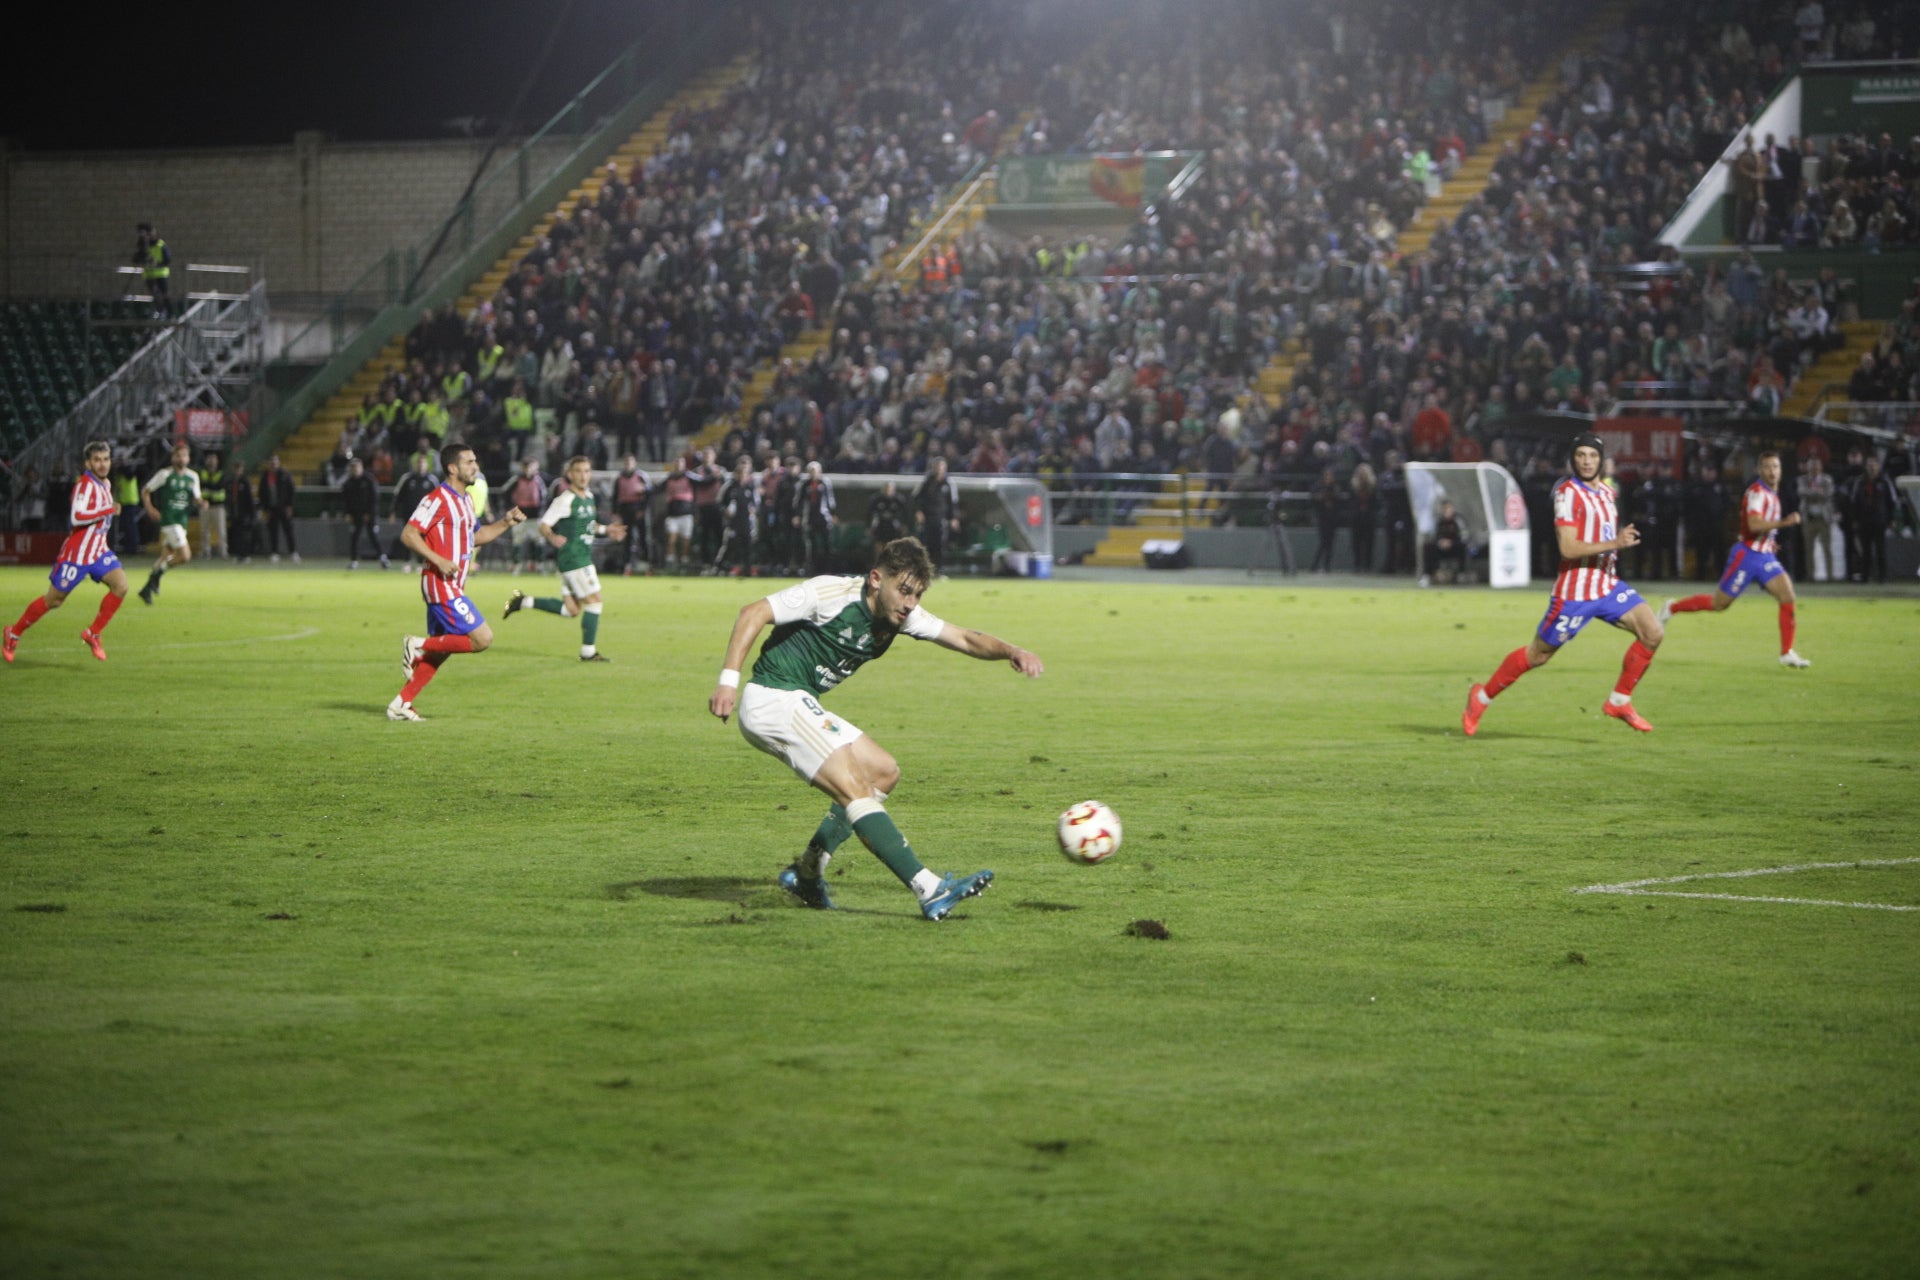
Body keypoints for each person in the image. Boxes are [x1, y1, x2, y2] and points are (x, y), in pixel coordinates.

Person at [707, 536, 1043, 920]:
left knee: (882, 772)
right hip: (774, 698)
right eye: (904, 591)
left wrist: (1013, 651)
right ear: (875, 580)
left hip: (799, 701)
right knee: (853, 787)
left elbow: (965, 638)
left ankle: (806, 873)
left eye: (916, 594)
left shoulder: (901, 617)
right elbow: (753, 612)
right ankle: (929, 888)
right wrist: (727, 682)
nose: (910, 603)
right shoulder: (830, 592)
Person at [1462, 433, 1665, 736]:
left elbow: (1600, 532)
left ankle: (1619, 700)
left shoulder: (1607, 493)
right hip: (1575, 592)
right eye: (1581, 455)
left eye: (1592, 455)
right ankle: (1481, 697)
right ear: (1573, 459)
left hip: (1606, 584)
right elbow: (1568, 549)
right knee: (1538, 655)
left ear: (1600, 460)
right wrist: (1615, 542)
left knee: (1652, 632)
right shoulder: (1568, 494)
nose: (1586, 461)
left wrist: (1617, 540)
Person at [388, 443, 527, 720]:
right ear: (453, 468)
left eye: (475, 461)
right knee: (482, 639)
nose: (475, 466)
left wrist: (506, 522)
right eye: (469, 462)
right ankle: (416, 644)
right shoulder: (437, 498)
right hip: (440, 583)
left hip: (453, 585)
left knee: (443, 651)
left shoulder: (465, 500)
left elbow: (478, 536)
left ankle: (401, 704)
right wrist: (437, 559)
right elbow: (409, 534)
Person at [1659, 451, 1810, 668]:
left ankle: (1787, 652)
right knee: (1719, 603)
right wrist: (1784, 523)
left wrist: (1770, 542)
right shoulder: (1757, 493)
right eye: (1767, 467)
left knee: (1787, 595)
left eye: (1775, 467)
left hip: (1764, 555)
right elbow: (1755, 525)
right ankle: (1671, 608)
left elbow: (1762, 530)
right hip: (1746, 556)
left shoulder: (1773, 495)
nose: (1772, 471)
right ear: (1759, 470)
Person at [5, 442, 130, 664]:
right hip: (77, 554)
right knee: (54, 600)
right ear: (88, 463)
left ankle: (93, 633)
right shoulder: (84, 485)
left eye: (106, 459)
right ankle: (13, 634)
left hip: (99, 550)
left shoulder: (106, 484)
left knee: (121, 586)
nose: (102, 464)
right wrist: (108, 509)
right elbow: (77, 517)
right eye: (97, 460)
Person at [503, 454, 624, 661]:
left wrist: (606, 529)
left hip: (580, 557)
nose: (583, 475)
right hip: (574, 558)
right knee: (595, 602)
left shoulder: (589, 497)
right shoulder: (565, 499)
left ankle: (523, 601)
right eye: (578, 471)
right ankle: (588, 652)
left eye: (587, 471)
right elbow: (544, 524)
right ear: (570, 475)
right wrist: (552, 537)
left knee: (572, 609)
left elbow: (587, 525)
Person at [137, 441, 206, 604]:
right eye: (178, 455)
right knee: (185, 556)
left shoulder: (193, 477)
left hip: (182, 522)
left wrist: (201, 503)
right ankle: (155, 578)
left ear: (188, 458)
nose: (181, 458)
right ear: (172, 457)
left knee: (166, 555)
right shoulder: (165, 474)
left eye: (184, 455)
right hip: (169, 520)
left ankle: (147, 589)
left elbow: (196, 498)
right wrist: (150, 508)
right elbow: (145, 490)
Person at [389, 453, 438, 567]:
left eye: (423, 463)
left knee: (423, 539)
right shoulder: (407, 478)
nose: (421, 465)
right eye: (419, 463)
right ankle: (407, 561)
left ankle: (421, 562)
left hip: (425, 516)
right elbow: (398, 496)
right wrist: (393, 511)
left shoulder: (431, 480)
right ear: (416, 465)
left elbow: (438, 499)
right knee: (408, 537)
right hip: (409, 514)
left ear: (427, 465)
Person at [341, 457, 388, 569]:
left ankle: (383, 558)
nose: (355, 469)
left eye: (356, 467)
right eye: (353, 467)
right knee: (354, 537)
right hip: (355, 515)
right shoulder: (348, 483)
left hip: (369, 515)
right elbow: (345, 500)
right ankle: (354, 561)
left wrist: (369, 513)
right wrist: (347, 513)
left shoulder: (369, 480)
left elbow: (375, 498)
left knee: (373, 536)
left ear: (361, 467)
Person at [915, 456, 960, 569]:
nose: (939, 469)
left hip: (941, 518)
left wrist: (954, 517)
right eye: (937, 466)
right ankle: (925, 569)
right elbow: (917, 498)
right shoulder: (926, 482)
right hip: (927, 518)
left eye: (941, 466)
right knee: (925, 543)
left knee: (940, 544)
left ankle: (939, 569)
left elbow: (953, 502)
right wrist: (918, 511)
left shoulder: (948, 483)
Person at [612, 454, 653, 575]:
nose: (628, 464)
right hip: (625, 509)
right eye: (626, 462)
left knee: (644, 537)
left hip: (639, 508)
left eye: (630, 462)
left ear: (634, 463)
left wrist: (643, 509)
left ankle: (647, 564)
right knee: (627, 538)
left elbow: (650, 492)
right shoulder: (619, 478)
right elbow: (615, 497)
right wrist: (615, 513)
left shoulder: (641, 476)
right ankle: (627, 565)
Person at [1799, 455, 1837, 581]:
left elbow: (1828, 493)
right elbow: (1801, 492)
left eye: (1816, 465)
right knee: (1808, 549)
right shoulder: (1802, 479)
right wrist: (1817, 492)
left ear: (1821, 467)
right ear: (1808, 467)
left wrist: (1811, 493)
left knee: (1827, 548)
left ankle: (1830, 576)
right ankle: (1810, 576)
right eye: (1811, 465)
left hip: (1823, 518)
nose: (1814, 468)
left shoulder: (1827, 479)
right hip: (1809, 518)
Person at [257, 454, 299, 562]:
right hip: (271, 508)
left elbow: (291, 491)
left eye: (275, 462)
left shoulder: (285, 475)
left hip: (284, 507)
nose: (273, 465)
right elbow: (261, 493)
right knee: (273, 532)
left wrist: (290, 506)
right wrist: (264, 508)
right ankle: (274, 553)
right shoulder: (265, 476)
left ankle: (293, 552)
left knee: (288, 530)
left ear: (278, 463)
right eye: (271, 463)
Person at [134, 222, 172, 319]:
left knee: (164, 294)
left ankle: (169, 314)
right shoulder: (143, 246)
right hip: (149, 275)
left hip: (161, 273)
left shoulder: (160, 244)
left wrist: (157, 263)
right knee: (155, 294)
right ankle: (159, 310)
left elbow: (167, 259)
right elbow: (136, 259)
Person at [198, 450, 229, 559]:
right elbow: (201, 486)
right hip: (205, 505)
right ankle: (205, 552)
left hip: (218, 506)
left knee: (221, 531)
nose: (211, 461)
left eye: (213, 458)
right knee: (204, 531)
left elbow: (218, 486)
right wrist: (210, 486)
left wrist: (209, 485)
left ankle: (223, 552)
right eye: (209, 458)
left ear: (217, 461)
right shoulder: (203, 472)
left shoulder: (221, 473)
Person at [866, 479, 910, 549]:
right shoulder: (877, 499)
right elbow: (870, 513)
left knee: (894, 546)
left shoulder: (899, 500)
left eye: (890, 489)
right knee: (879, 546)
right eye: (887, 489)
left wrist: (904, 525)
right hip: (881, 525)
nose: (888, 491)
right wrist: (869, 526)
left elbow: (905, 513)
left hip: (893, 526)